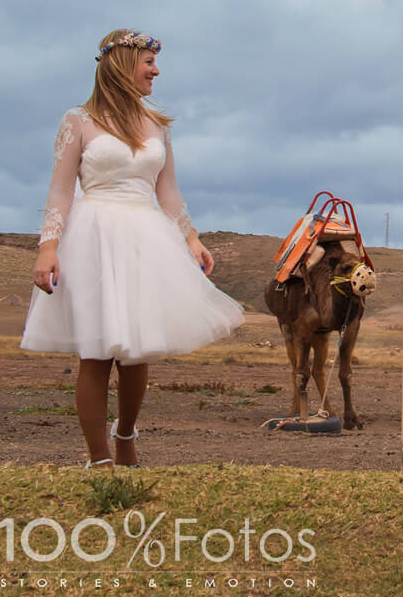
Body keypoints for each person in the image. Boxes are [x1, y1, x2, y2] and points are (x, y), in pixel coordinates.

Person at [22, 30, 244, 468]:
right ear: (123, 64)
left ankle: (126, 438)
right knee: (97, 351)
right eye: (148, 62)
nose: (156, 71)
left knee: (138, 346)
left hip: (147, 236)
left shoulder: (157, 123)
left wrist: (192, 237)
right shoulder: (78, 120)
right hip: (93, 237)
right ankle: (98, 457)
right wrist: (48, 248)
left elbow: (169, 192)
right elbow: (61, 191)